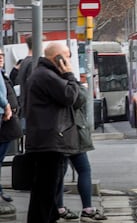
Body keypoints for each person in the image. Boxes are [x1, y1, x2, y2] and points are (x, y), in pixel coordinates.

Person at [25, 42, 80, 223]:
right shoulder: (47, 76)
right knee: (47, 190)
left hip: (46, 139)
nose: (69, 59)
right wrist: (70, 75)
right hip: (50, 141)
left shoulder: (43, 74)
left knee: (46, 189)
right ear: (58, 58)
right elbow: (71, 96)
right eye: (67, 56)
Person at [57, 84, 107, 221]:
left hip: (57, 133)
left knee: (59, 172)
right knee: (84, 169)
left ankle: (59, 207)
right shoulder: (67, 83)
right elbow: (81, 98)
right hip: (74, 132)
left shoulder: (47, 81)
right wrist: (73, 79)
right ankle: (87, 208)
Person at [0, 49, 23, 203]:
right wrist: (7, 106)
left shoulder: (3, 73)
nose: (0, 58)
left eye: (1, 55)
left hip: (7, 120)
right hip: (4, 118)